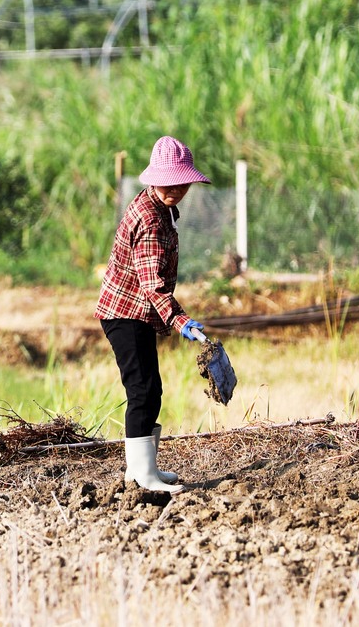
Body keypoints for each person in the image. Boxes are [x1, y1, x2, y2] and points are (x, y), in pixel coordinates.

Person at [95, 135, 210, 493]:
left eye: (181, 182)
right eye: (169, 181)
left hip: (135, 312)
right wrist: (181, 321)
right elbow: (152, 284)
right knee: (142, 391)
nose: (175, 189)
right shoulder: (150, 220)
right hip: (124, 313)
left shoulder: (159, 207)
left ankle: (143, 470)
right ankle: (142, 477)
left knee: (151, 390)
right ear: (153, 178)